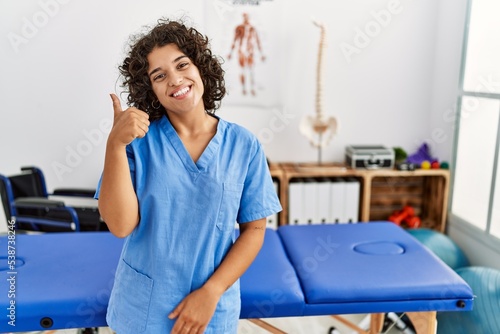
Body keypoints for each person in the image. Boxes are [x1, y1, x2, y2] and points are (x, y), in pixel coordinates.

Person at [95, 18, 281, 333]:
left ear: (200, 68)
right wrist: (114, 144)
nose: (176, 80)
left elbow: (255, 230)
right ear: (150, 89)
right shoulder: (138, 144)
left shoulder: (243, 144)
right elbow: (120, 225)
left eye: (183, 65)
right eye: (159, 75)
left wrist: (212, 291)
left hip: (212, 311)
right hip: (143, 311)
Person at [227, 12, 265, 96]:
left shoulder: (252, 28)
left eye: (247, 17)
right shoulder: (239, 28)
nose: (246, 18)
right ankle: (243, 89)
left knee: (251, 71)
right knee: (242, 70)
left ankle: (252, 88)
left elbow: (258, 41)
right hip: (241, 51)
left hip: (250, 51)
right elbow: (235, 40)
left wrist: (261, 54)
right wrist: (230, 53)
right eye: (244, 17)